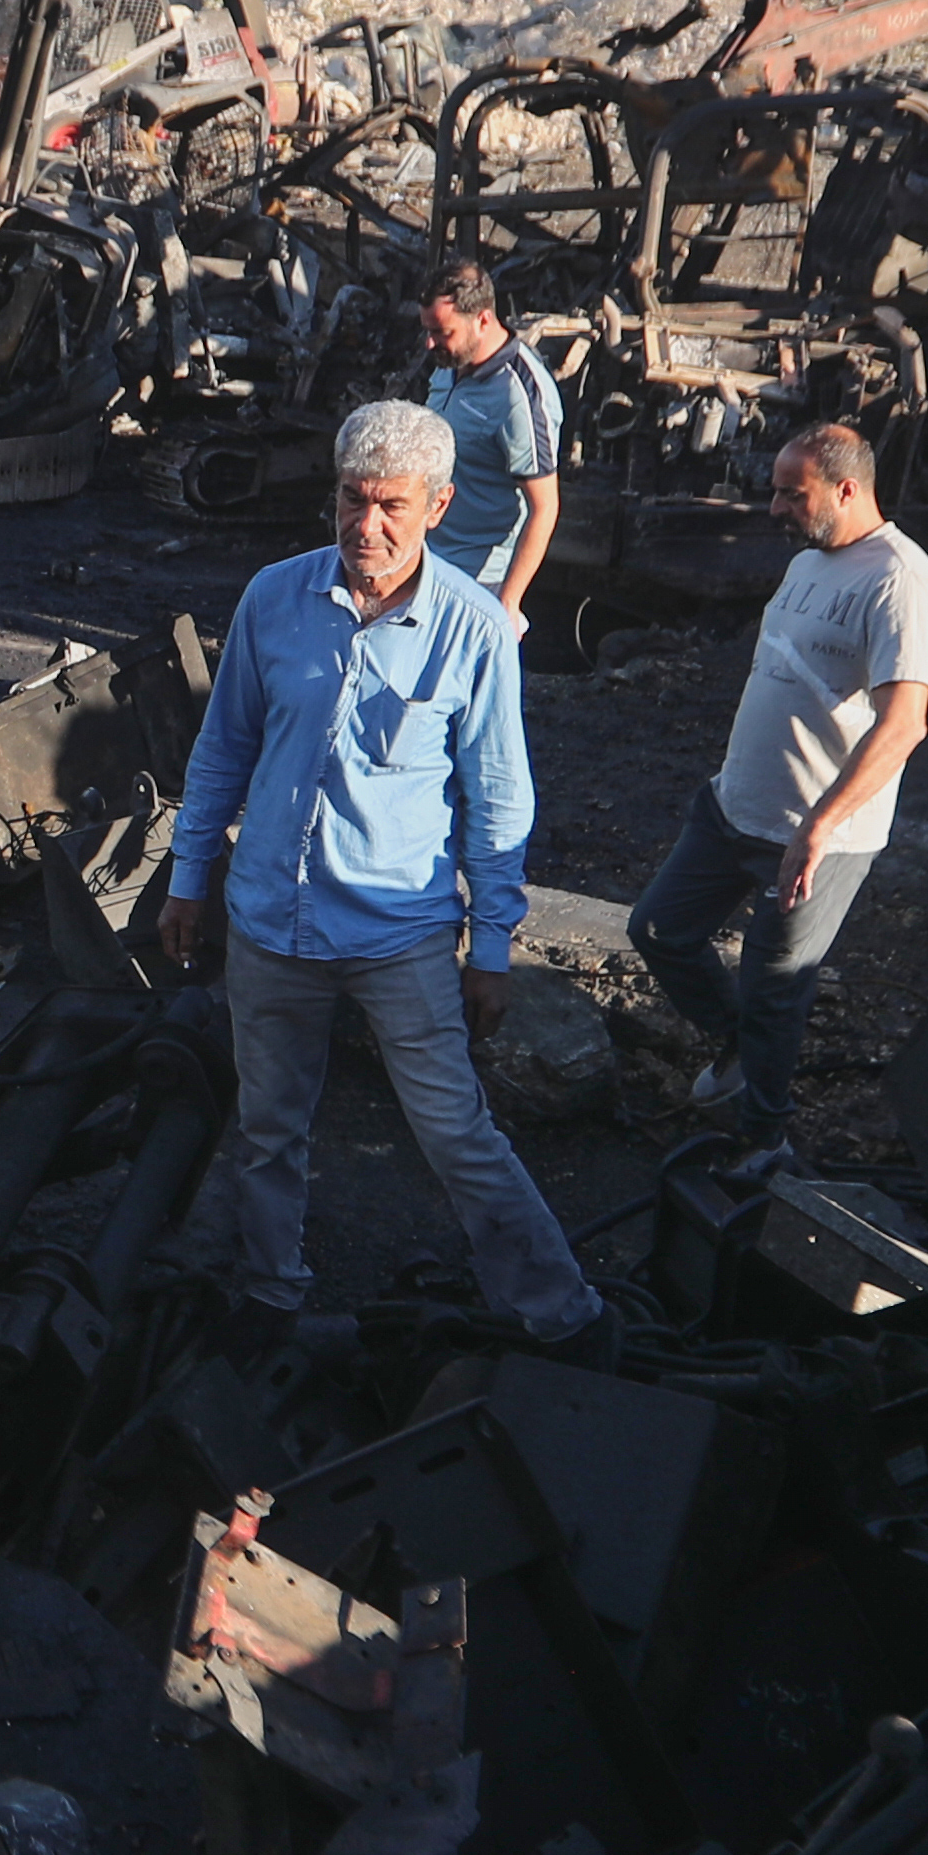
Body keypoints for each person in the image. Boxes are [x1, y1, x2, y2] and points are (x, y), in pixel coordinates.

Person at [162, 400, 614, 1356]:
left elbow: (498, 804)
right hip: (269, 925)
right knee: (268, 1125)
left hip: (397, 935)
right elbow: (221, 750)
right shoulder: (273, 601)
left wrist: (490, 947)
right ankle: (270, 1295)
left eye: (392, 508)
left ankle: (562, 1315)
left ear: (440, 506)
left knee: (455, 1132)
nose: (366, 528)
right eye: (351, 501)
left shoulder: (476, 632)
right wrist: (188, 877)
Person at [628, 424, 928, 1158]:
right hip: (734, 805)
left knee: (777, 985)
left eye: (790, 495)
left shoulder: (898, 579)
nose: (774, 510)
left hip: (814, 831)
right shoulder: (808, 561)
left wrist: (820, 828)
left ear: (846, 489)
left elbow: (905, 725)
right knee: (659, 929)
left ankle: (765, 1140)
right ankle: (740, 1052)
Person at [413, 257, 566, 628]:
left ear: (482, 319)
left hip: (477, 580)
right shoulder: (450, 363)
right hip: (425, 560)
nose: (430, 343)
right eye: (427, 330)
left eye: (442, 332)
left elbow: (545, 508)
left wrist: (507, 605)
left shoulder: (520, 396)